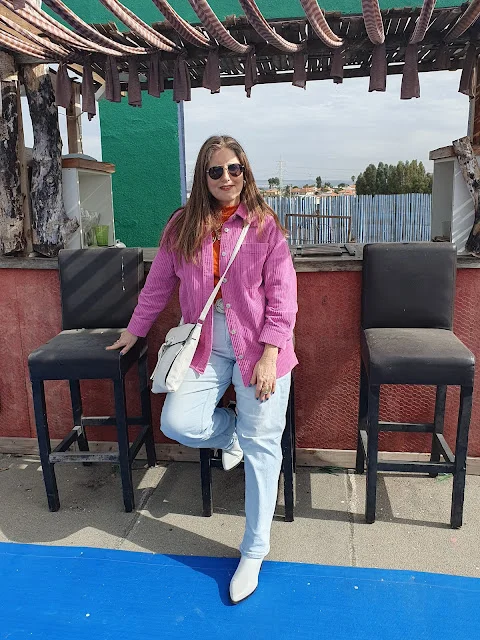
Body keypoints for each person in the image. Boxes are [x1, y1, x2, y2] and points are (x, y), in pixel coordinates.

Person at [107, 135, 298, 603]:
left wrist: (270, 355)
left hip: (260, 343)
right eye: (216, 171)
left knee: (263, 445)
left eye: (234, 168)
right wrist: (134, 331)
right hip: (205, 342)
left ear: (245, 171)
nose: (226, 178)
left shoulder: (264, 224)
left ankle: (254, 550)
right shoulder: (182, 225)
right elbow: (157, 284)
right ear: (202, 176)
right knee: (178, 422)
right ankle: (231, 432)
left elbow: (283, 296)